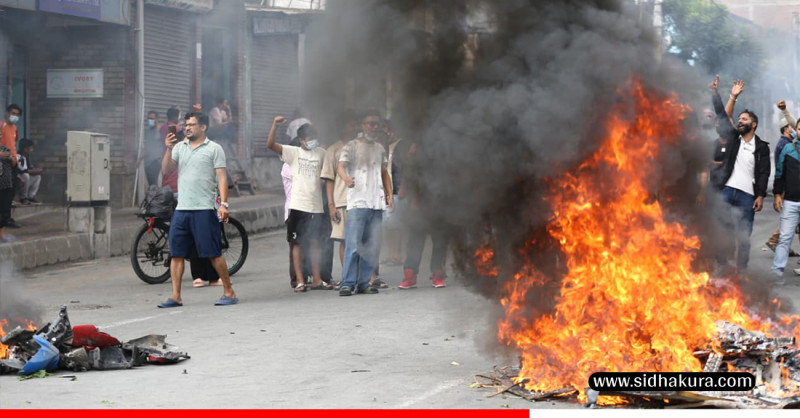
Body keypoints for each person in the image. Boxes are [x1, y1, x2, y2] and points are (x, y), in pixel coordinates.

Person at [158, 112, 238, 307]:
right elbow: (166, 170)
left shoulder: (214, 149)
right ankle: (176, 296)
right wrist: (168, 148)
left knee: (213, 253)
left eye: (192, 124)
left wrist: (224, 204)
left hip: (204, 208)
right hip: (182, 209)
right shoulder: (179, 147)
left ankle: (229, 291)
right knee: (176, 254)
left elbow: (221, 177)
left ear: (203, 127)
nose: (187, 128)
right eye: (186, 124)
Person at [709, 76, 770, 273]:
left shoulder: (761, 147)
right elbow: (722, 116)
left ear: (754, 124)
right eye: (739, 119)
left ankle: (741, 273)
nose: (740, 121)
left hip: (747, 196)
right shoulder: (733, 139)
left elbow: (764, 172)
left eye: (744, 119)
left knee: (744, 236)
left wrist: (760, 195)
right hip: (726, 191)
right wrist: (729, 97)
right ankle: (723, 267)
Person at [267, 116, 331, 292]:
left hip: (316, 206)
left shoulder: (321, 153)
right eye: (309, 139)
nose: (312, 142)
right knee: (298, 244)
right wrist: (274, 126)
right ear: (301, 140)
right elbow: (270, 145)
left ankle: (317, 279)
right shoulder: (293, 153)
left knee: (315, 243)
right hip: (297, 206)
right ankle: (300, 281)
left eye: (314, 139)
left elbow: (332, 165)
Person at [336, 110, 394, 296]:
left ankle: (364, 283)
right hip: (358, 203)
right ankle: (347, 283)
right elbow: (341, 166)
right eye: (370, 123)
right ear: (362, 125)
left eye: (377, 124)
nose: (374, 127)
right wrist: (345, 178)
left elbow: (384, 172)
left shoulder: (380, 148)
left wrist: (389, 194)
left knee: (371, 246)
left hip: (376, 203)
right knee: (353, 246)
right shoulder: (351, 146)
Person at [398, 142, 449, 289]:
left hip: (437, 210)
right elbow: (402, 193)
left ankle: (437, 275)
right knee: (415, 244)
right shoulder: (413, 166)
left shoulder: (441, 165)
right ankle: (410, 276)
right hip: (418, 211)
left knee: (439, 243)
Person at [321, 111, 360, 271]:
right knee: (345, 240)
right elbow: (329, 179)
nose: (355, 128)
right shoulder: (333, 150)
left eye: (356, 125)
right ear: (343, 128)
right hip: (342, 201)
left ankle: (364, 275)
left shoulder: (362, 147)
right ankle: (348, 275)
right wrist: (331, 205)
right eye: (352, 125)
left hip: (361, 200)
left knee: (362, 240)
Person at [765, 100, 798, 254]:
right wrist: (780, 191)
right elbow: (781, 170)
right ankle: (775, 241)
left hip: (789, 186)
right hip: (789, 186)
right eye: (794, 128)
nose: (795, 130)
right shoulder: (786, 146)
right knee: (792, 217)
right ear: (787, 129)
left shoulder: (789, 143)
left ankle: (777, 241)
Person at [770, 118, 800, 285]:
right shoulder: (788, 149)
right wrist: (777, 194)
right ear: (796, 130)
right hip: (790, 202)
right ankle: (777, 272)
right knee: (785, 238)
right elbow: (779, 173)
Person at [139, 110, 164, 188]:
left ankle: (155, 194)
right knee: (151, 183)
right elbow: (146, 147)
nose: (150, 120)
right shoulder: (147, 132)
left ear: (157, 119)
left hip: (156, 161)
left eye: (152, 118)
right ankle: (154, 194)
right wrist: (139, 159)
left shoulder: (161, 131)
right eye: (149, 118)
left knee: (153, 183)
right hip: (147, 162)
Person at [0, 141, 18, 243]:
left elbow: (14, 164)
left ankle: (2, 235)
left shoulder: (5, 149)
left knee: (4, 212)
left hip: (6, 184)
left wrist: (11, 158)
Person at [16, 139, 42, 205]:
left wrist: (36, 170)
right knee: (25, 175)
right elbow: (21, 170)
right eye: (31, 148)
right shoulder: (18, 156)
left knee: (37, 177)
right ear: (25, 149)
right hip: (18, 181)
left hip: (25, 181)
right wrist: (33, 171)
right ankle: (23, 198)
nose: (32, 150)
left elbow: (29, 168)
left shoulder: (26, 156)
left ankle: (31, 196)